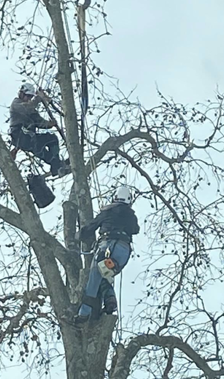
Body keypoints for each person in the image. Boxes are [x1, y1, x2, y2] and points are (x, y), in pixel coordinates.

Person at [75, 185, 139, 324]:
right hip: (123, 251)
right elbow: (135, 230)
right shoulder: (131, 216)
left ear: (114, 198)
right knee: (106, 274)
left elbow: (91, 227)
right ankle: (110, 302)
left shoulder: (107, 212)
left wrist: (79, 236)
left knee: (94, 279)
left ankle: (83, 314)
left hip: (107, 246)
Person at [9, 82, 70, 177]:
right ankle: (57, 165)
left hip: (31, 139)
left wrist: (49, 124)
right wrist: (38, 98)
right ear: (21, 94)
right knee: (44, 142)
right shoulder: (16, 104)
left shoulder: (30, 108)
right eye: (27, 96)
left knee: (50, 143)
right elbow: (27, 108)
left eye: (30, 97)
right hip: (21, 136)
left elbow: (38, 121)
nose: (29, 99)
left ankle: (56, 166)